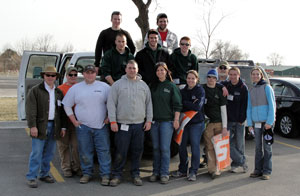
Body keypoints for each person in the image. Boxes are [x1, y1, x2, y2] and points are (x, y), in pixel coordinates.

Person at [62, 65, 111, 185]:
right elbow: (67, 105)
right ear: (83, 74)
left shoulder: (104, 87)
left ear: (96, 74)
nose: (90, 75)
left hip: (101, 126)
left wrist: (109, 117)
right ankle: (87, 173)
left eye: (92, 72)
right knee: (84, 151)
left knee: (103, 151)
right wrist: (74, 121)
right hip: (83, 127)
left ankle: (105, 175)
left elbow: (113, 103)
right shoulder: (76, 88)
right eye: (87, 72)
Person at [107, 60, 153, 187]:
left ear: (137, 70)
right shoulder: (117, 85)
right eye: (130, 68)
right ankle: (116, 175)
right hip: (122, 125)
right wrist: (113, 121)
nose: (132, 70)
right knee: (120, 151)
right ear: (125, 69)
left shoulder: (144, 86)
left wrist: (149, 120)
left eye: (134, 68)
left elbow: (149, 104)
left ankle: (135, 175)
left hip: (139, 125)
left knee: (137, 151)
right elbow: (111, 104)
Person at [26, 66, 66, 188]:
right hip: (40, 126)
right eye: (47, 75)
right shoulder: (35, 90)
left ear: (56, 77)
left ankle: (44, 174)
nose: (50, 77)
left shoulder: (58, 92)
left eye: (52, 75)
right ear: (43, 76)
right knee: (37, 152)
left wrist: (63, 127)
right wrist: (33, 126)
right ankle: (32, 177)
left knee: (49, 153)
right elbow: (30, 110)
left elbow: (62, 112)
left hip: (54, 126)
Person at [148, 62, 182, 184]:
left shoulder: (171, 86)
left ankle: (164, 173)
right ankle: (155, 172)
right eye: (158, 70)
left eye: (162, 70)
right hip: (154, 122)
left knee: (165, 148)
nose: (160, 72)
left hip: (167, 122)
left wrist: (176, 119)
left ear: (167, 72)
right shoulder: (152, 86)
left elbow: (177, 105)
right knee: (156, 148)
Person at [172, 70, 205, 181]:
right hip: (184, 123)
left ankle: (193, 171)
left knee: (195, 147)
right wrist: (190, 103)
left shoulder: (200, 90)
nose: (190, 80)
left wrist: (185, 103)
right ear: (186, 79)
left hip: (197, 123)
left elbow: (197, 107)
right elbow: (179, 105)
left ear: (197, 79)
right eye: (189, 78)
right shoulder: (182, 91)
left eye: (193, 78)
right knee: (181, 146)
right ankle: (182, 169)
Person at [247, 67, 275, 180]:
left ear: (261, 75)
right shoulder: (251, 90)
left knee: (267, 148)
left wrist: (269, 122)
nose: (255, 76)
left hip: (266, 124)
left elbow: (272, 106)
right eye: (253, 74)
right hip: (256, 124)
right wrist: (250, 124)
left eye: (257, 74)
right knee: (258, 148)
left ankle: (267, 171)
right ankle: (257, 170)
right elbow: (249, 108)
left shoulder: (267, 87)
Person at [221, 67, 249, 173]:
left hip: (239, 121)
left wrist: (242, 119)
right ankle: (242, 161)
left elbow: (245, 105)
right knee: (228, 143)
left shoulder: (243, 88)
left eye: (235, 74)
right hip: (228, 120)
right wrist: (222, 87)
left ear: (239, 75)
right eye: (231, 74)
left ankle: (236, 163)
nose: (232, 76)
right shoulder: (226, 85)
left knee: (240, 143)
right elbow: (217, 83)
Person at [203, 69, 228, 179]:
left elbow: (223, 110)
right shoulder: (202, 89)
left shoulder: (220, 91)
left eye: (214, 77)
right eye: (209, 77)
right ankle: (212, 170)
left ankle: (218, 167)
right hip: (208, 123)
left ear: (216, 79)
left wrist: (224, 127)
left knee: (219, 147)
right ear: (207, 78)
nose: (211, 79)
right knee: (209, 147)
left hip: (219, 123)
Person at [56, 67, 81, 178]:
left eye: (75, 75)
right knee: (63, 146)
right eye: (70, 75)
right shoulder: (60, 89)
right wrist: (60, 125)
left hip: (77, 120)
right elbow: (58, 107)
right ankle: (66, 168)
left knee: (76, 146)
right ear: (66, 76)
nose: (73, 77)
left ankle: (77, 167)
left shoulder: (81, 87)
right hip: (63, 120)